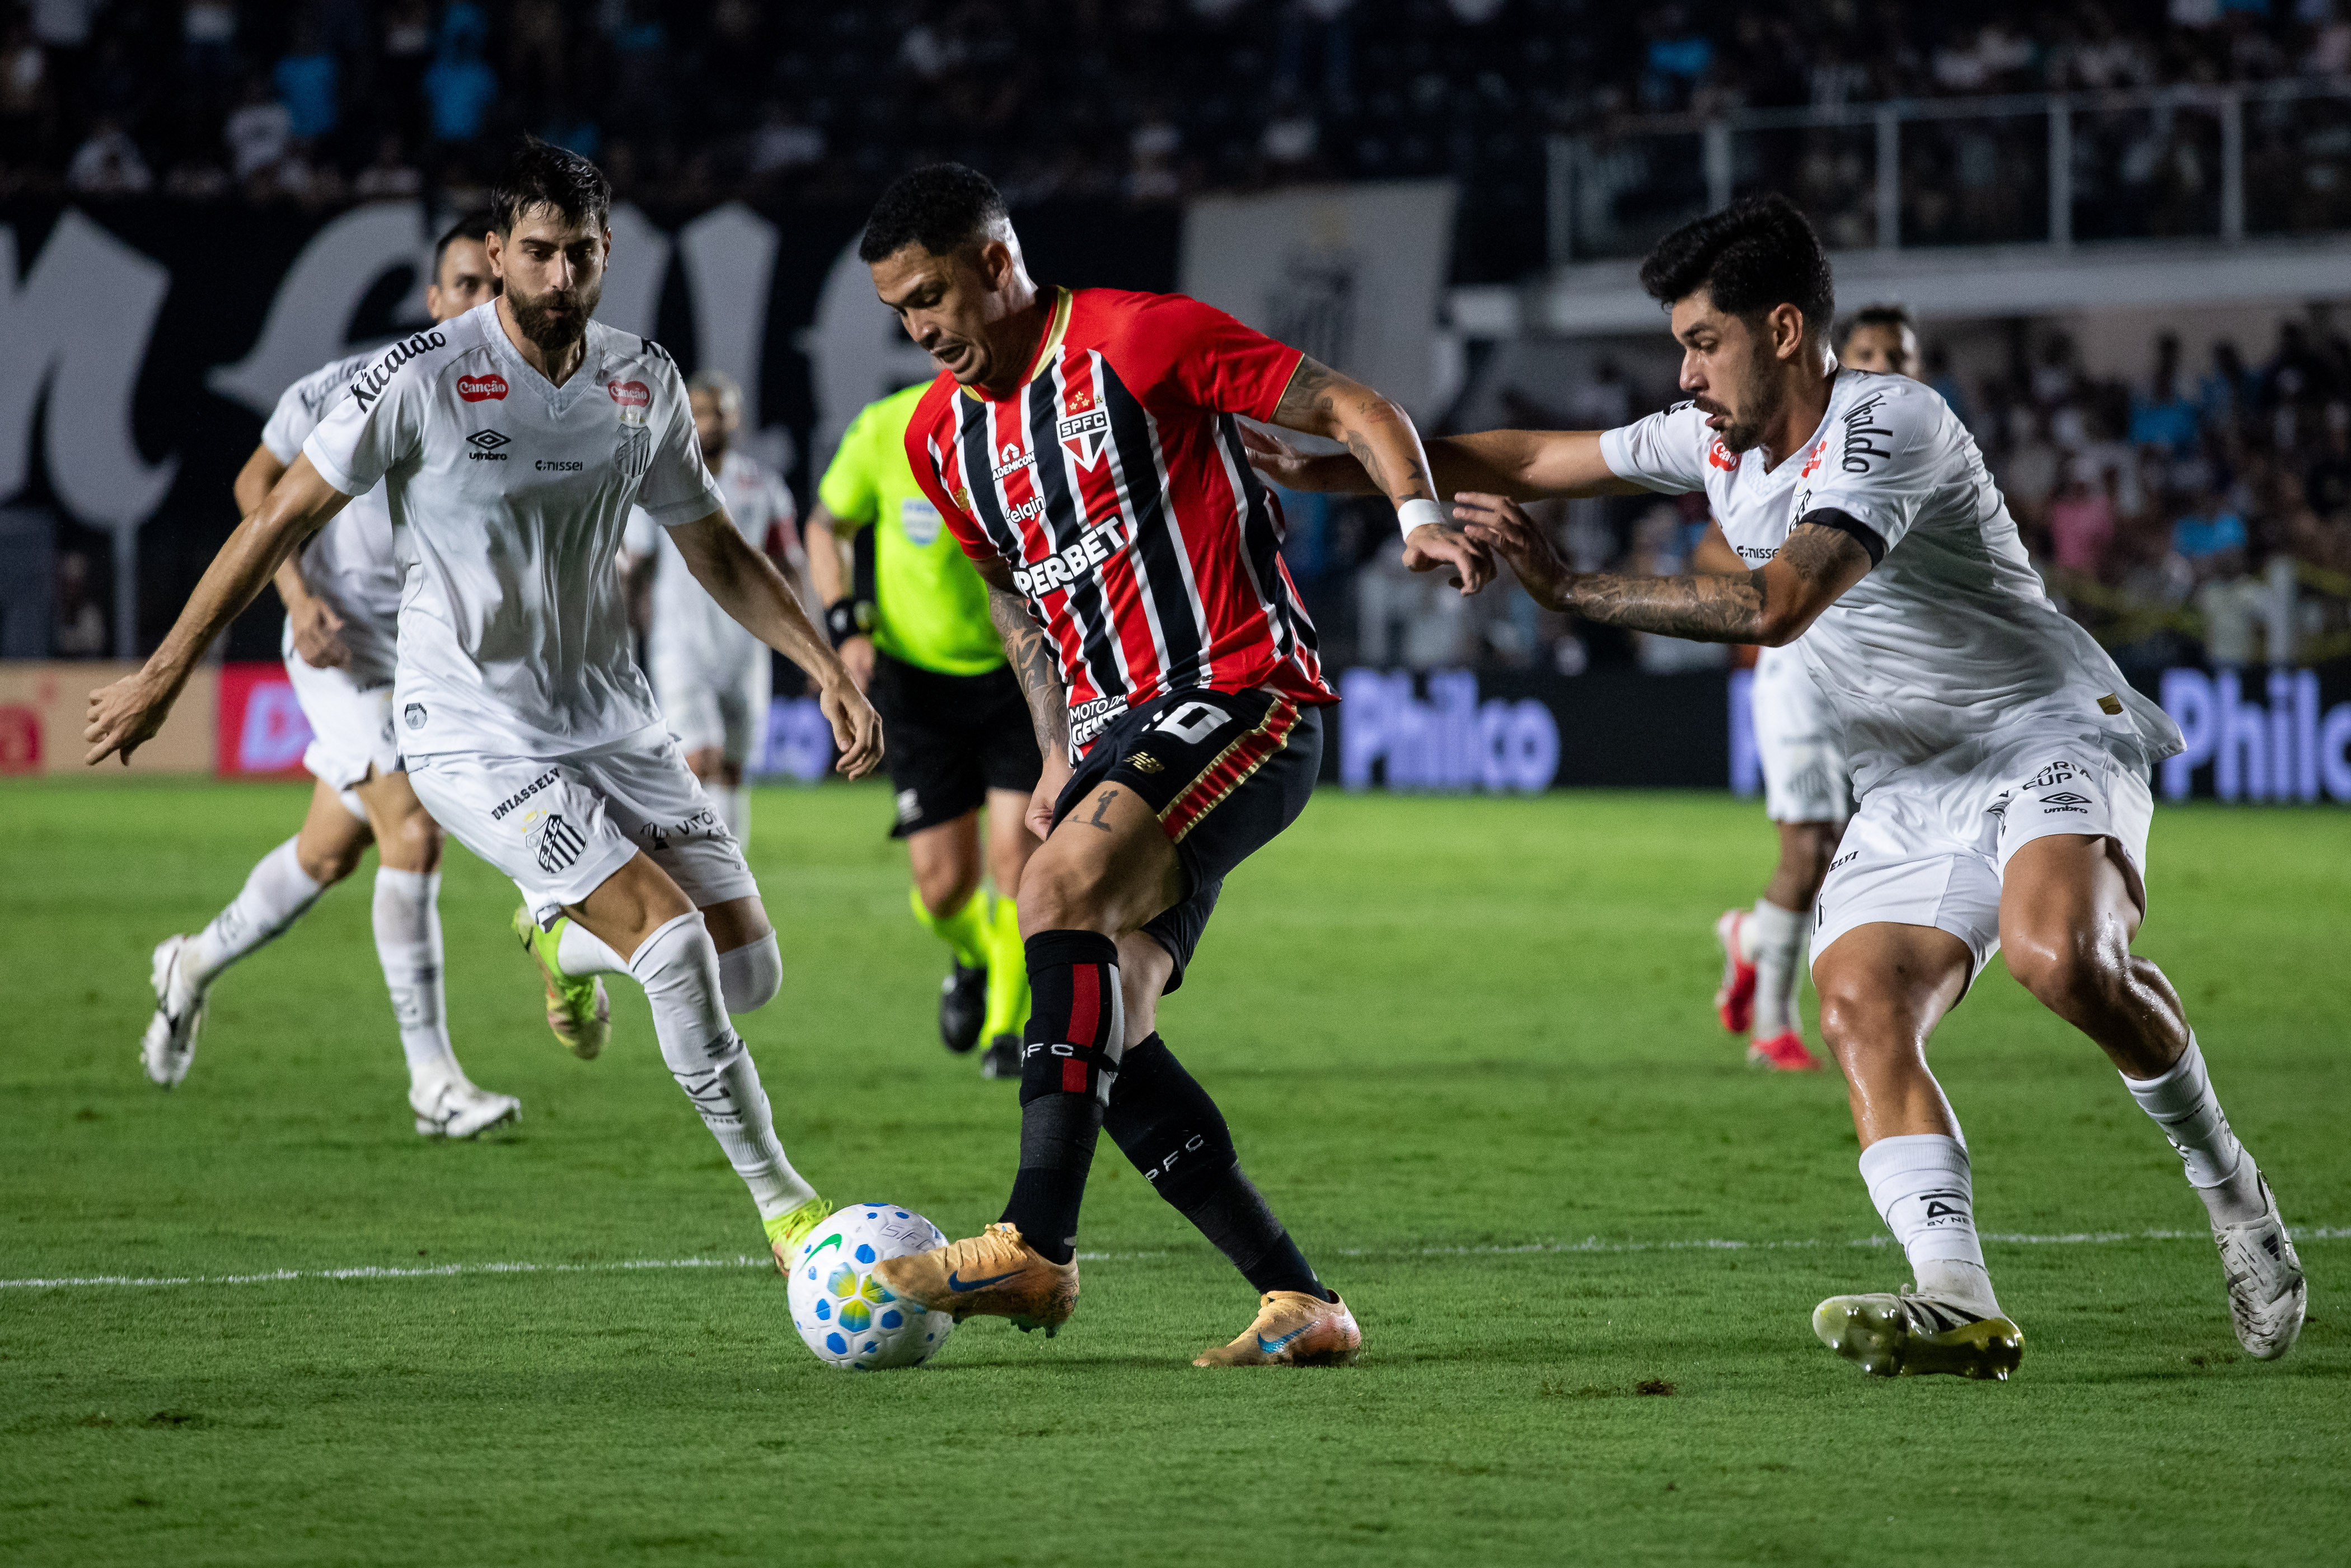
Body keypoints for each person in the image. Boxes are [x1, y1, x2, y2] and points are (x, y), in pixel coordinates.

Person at [1254, 194, 2304, 1379]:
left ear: (1788, 330)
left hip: (2040, 729)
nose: (1686, 373)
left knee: (2060, 958)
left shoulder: (1888, 421)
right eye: (1680, 348)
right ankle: (1956, 1300)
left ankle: (2236, 1196)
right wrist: (1346, 472)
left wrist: (1573, 592)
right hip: (1908, 780)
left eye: (1705, 343)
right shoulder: (1712, 441)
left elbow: (1776, 605)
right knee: (1861, 1000)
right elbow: (1536, 456)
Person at [87, 139, 883, 1267]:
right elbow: (275, 517)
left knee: (750, 969)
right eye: (541, 254)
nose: (561, 279)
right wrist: (167, 670)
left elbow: (715, 547)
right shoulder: (418, 377)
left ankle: (559, 938)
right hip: (471, 735)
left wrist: (826, 666)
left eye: (584, 256)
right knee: (674, 952)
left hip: (614, 717)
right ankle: (787, 1209)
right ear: (500, 251)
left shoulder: (640, 379)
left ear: (609, 256)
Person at [853, 163, 1491, 1365]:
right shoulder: (942, 436)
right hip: (1110, 738)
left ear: (997, 263)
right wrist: (1051, 749)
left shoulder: (1144, 341)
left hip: (1246, 693)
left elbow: (1353, 406)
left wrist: (1416, 518)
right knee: (1114, 1019)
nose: (920, 330)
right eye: (899, 311)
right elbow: (1007, 590)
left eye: (931, 295)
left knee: (1046, 895)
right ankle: (1302, 1300)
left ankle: (1037, 1245)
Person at [134, 210, 519, 1140]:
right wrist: (297, 597)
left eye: (496, 287)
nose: (481, 302)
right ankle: (433, 1080)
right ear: (434, 300)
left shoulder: (517, 408)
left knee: (325, 854)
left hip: (428, 653)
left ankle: (189, 964)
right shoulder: (358, 382)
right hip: (337, 639)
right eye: (466, 284)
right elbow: (252, 485)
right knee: (412, 834)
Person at [1696, 304, 1915, 1072]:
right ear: (1837, 358)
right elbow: (1710, 549)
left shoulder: (1919, 449)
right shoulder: (1807, 444)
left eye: (1899, 353)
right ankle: (1772, 1026)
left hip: (1873, 679)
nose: (1885, 363)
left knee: (1839, 852)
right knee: (1810, 846)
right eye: (1868, 350)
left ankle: (1749, 939)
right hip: (1798, 671)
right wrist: (1785, 580)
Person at [801, 382, 1041, 1077]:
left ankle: (1007, 1028)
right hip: (916, 687)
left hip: (1016, 678)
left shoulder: (1022, 421)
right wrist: (846, 620)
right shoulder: (884, 427)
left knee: (1015, 863)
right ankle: (972, 956)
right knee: (942, 888)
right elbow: (827, 526)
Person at [620, 369, 797, 846]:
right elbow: (633, 568)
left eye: (716, 412)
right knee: (701, 761)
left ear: (734, 418)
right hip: (680, 646)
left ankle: (732, 876)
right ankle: (708, 875)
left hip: (745, 648)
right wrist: (625, 631)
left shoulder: (764, 487)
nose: (707, 423)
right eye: (696, 413)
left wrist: (808, 638)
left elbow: (789, 567)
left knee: (734, 770)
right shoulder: (658, 483)